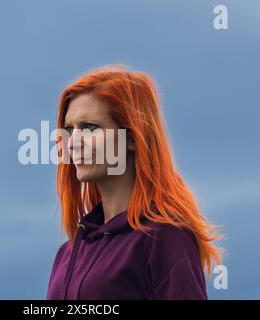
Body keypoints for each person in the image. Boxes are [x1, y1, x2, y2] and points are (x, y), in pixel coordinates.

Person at [47, 65, 221, 300]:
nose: (74, 142)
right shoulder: (67, 254)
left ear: (131, 138)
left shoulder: (165, 237)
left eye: (90, 127)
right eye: (69, 129)